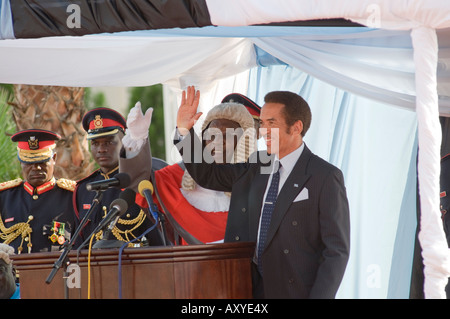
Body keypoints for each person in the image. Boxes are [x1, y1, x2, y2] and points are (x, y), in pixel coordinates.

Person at [175, 86, 350, 299]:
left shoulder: (324, 175)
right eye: (263, 123)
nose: (263, 130)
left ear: (296, 127)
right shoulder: (259, 163)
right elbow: (209, 174)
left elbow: (336, 251)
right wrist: (184, 131)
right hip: (246, 289)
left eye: (272, 123)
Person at [119, 96, 260, 244]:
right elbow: (136, 188)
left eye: (228, 136)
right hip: (188, 266)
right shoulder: (176, 176)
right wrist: (136, 139)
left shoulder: (258, 180)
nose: (217, 142)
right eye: (211, 135)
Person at [73, 107, 162, 248]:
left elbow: (158, 238)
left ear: (123, 140)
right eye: (95, 143)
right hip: (93, 268)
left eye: (108, 142)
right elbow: (78, 244)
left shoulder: (140, 180)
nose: (101, 149)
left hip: (135, 265)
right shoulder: (83, 189)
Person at [0, 129, 75, 254]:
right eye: (29, 162)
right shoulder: (4, 197)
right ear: (20, 162)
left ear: (54, 158)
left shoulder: (72, 196)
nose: (36, 168)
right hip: (12, 271)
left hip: (57, 271)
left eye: (42, 161)